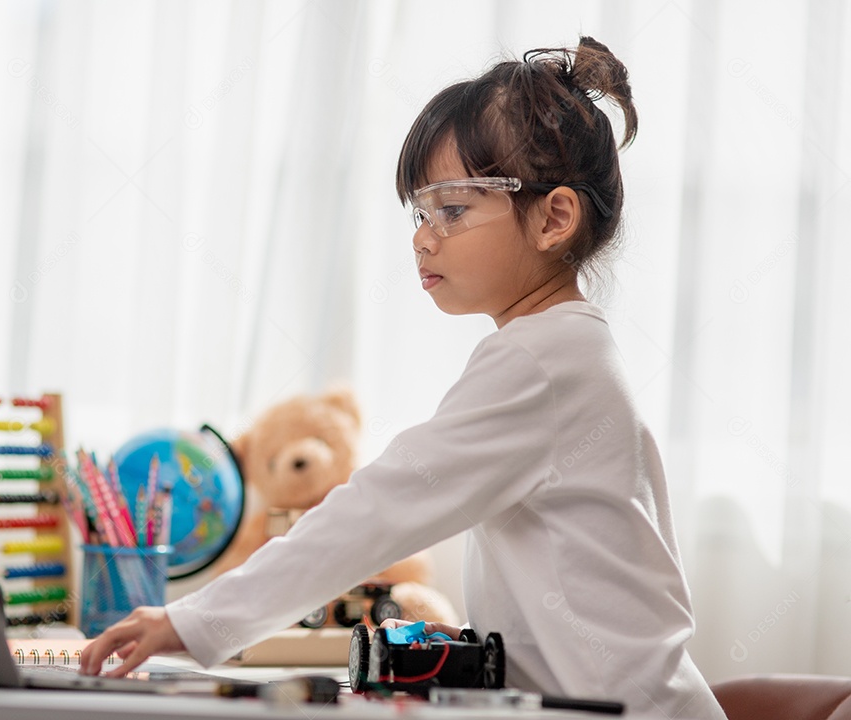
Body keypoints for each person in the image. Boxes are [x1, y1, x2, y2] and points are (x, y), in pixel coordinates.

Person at [80, 36, 727, 719]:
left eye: (452, 209)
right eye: (419, 213)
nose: (423, 236)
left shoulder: (540, 362)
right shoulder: (572, 353)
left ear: (554, 217)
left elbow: (380, 509)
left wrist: (195, 620)